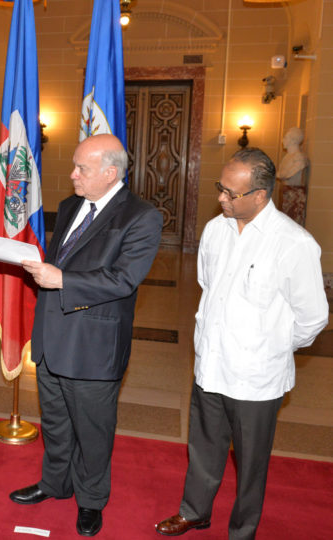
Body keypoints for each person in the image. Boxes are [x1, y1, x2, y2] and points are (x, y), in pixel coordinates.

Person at [155, 148, 328, 539]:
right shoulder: (216, 230)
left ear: (260, 195)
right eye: (221, 188)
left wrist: (272, 346)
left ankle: (242, 530)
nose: (221, 198)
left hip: (256, 377)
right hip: (211, 364)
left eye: (230, 193)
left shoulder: (293, 243)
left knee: (251, 463)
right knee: (203, 446)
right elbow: (207, 284)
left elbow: (313, 317)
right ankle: (194, 511)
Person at [11, 134, 163, 537]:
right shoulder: (70, 205)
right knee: (55, 423)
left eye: (82, 168)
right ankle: (55, 483)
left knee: (93, 431)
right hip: (52, 337)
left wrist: (62, 279)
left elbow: (123, 279)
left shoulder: (141, 217)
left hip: (94, 346)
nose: (73, 175)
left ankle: (92, 500)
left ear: (111, 173)